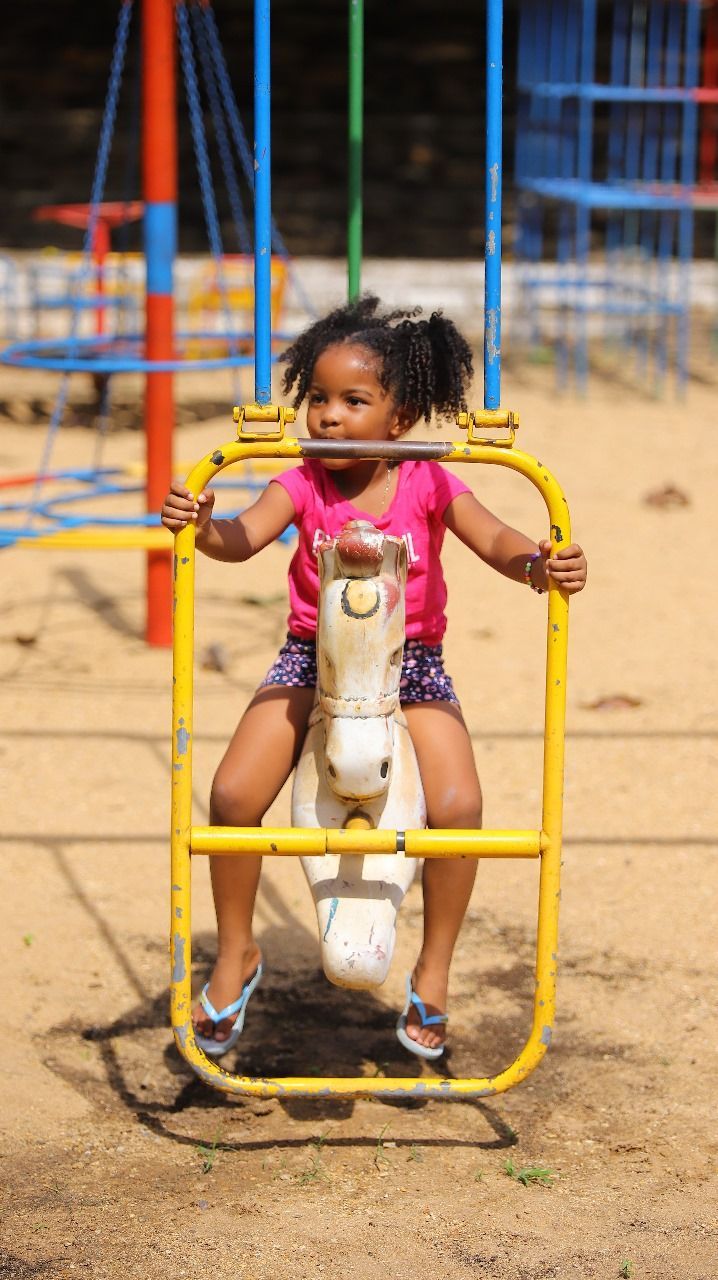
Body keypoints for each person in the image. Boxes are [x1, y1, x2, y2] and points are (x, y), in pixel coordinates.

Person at [161, 295, 587, 1061]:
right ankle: (235, 953)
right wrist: (203, 526)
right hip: (310, 655)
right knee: (231, 794)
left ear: (400, 417)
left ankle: (435, 968)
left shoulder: (428, 481)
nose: (328, 418)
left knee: (460, 806)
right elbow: (245, 536)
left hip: (411, 664)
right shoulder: (303, 482)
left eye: (353, 402)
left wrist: (537, 565)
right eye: (317, 399)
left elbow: (490, 535)